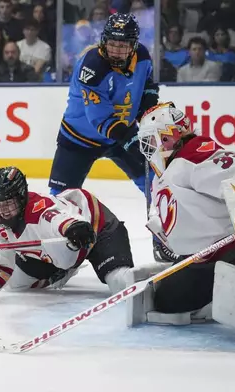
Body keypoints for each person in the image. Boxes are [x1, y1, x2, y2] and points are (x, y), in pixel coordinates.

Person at [129, 102, 235, 331]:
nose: (148, 148)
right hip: (207, 261)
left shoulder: (192, 154)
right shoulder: (166, 174)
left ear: (168, 137)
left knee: (171, 298)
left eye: (151, 140)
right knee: (166, 299)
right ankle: (220, 300)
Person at [47, 13, 163, 260]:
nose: (116, 51)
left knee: (156, 182)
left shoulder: (142, 56)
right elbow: (100, 119)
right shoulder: (92, 66)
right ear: (103, 41)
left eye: (123, 46)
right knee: (60, 201)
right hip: (79, 138)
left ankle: (164, 239)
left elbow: (148, 85)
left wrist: (149, 105)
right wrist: (132, 139)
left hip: (120, 133)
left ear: (133, 45)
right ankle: (54, 255)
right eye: (112, 44)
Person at [0, 166, 134, 303]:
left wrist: (73, 227)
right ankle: (62, 271)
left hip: (96, 227)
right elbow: (2, 264)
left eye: (8, 203)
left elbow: (58, 219)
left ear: (21, 197)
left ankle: (157, 284)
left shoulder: (39, 209)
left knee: (119, 282)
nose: (3, 210)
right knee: (14, 283)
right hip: (64, 249)